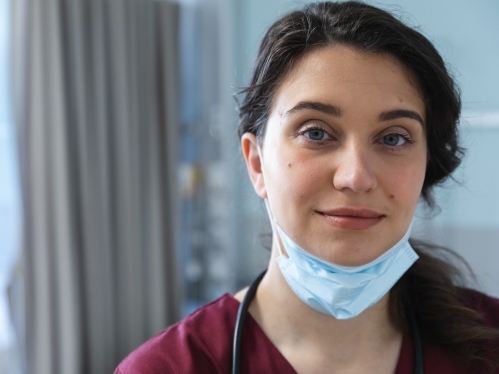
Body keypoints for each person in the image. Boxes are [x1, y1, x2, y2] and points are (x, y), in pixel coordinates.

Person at [115, 2, 499, 373]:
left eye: (394, 138)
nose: (356, 177)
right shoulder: (171, 367)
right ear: (256, 162)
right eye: (316, 132)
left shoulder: (489, 345)